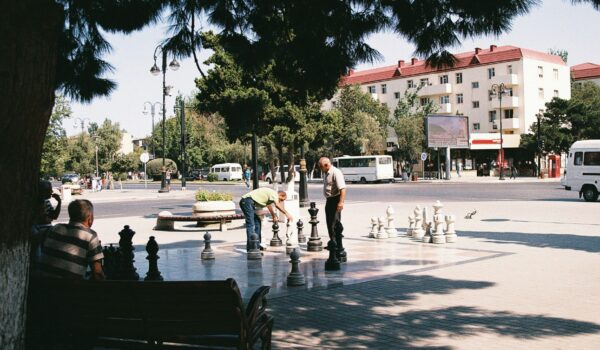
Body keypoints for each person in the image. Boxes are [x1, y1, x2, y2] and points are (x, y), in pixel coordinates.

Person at [36, 199, 105, 280]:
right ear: (89, 217)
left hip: (44, 284)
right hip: (70, 288)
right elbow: (97, 273)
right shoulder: (90, 236)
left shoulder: (54, 229)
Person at [318, 157, 346, 241]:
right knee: (329, 222)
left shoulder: (336, 172)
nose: (321, 169)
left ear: (326, 165)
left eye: (321, 167)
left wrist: (341, 202)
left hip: (335, 200)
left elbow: (343, 188)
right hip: (329, 200)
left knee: (335, 223)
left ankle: (337, 243)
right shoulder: (327, 173)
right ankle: (332, 241)